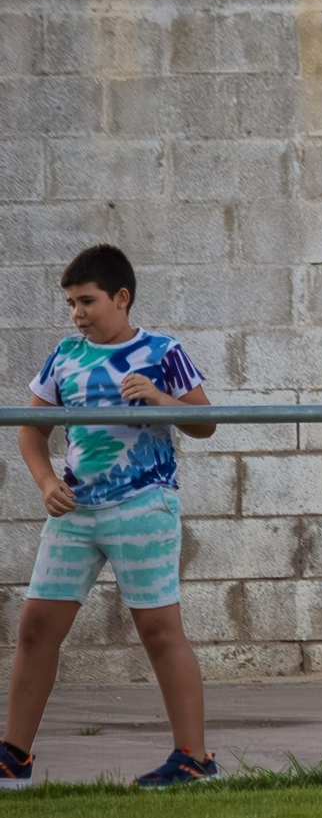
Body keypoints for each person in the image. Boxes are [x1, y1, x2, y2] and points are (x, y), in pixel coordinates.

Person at [1, 244, 218, 789]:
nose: (77, 314)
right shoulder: (63, 356)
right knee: (35, 628)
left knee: (159, 630)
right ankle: (13, 759)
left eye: (87, 301)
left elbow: (206, 422)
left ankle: (194, 760)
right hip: (75, 512)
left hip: (143, 506)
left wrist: (161, 400)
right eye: (71, 304)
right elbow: (32, 429)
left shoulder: (163, 351)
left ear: (121, 298)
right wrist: (46, 482)